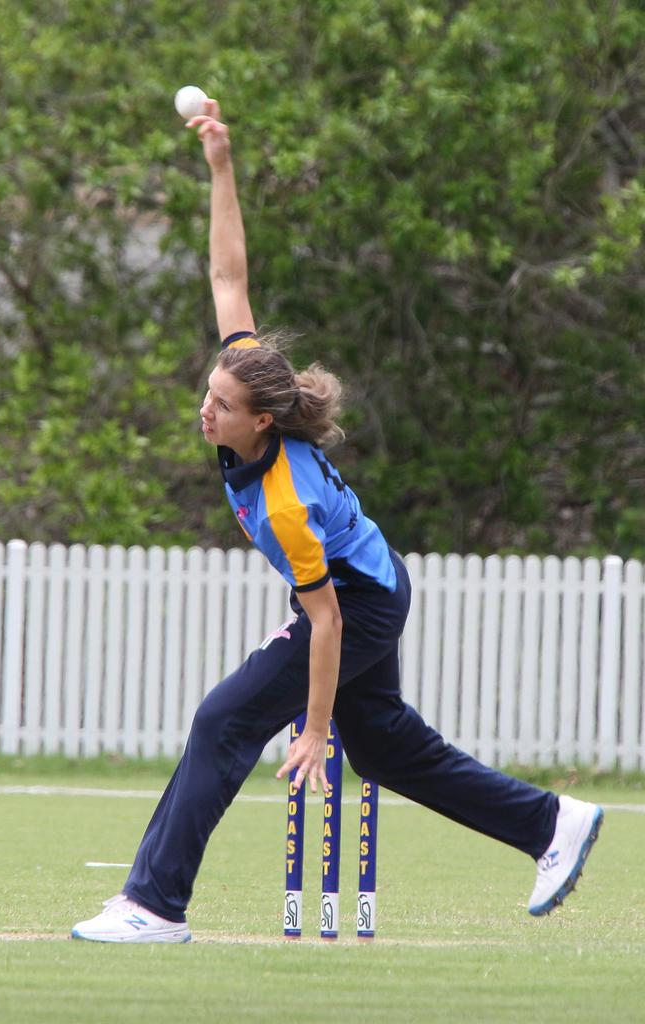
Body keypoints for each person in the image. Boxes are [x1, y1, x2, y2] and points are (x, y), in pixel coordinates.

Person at [71, 99, 603, 944]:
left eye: (219, 405)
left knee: (225, 718)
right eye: (208, 394)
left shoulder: (286, 500)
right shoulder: (246, 382)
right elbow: (227, 277)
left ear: (263, 424)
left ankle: (154, 905)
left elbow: (324, 619)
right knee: (389, 749)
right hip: (375, 577)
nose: (203, 410)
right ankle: (553, 825)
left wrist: (317, 731)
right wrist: (219, 166)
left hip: (357, 597)